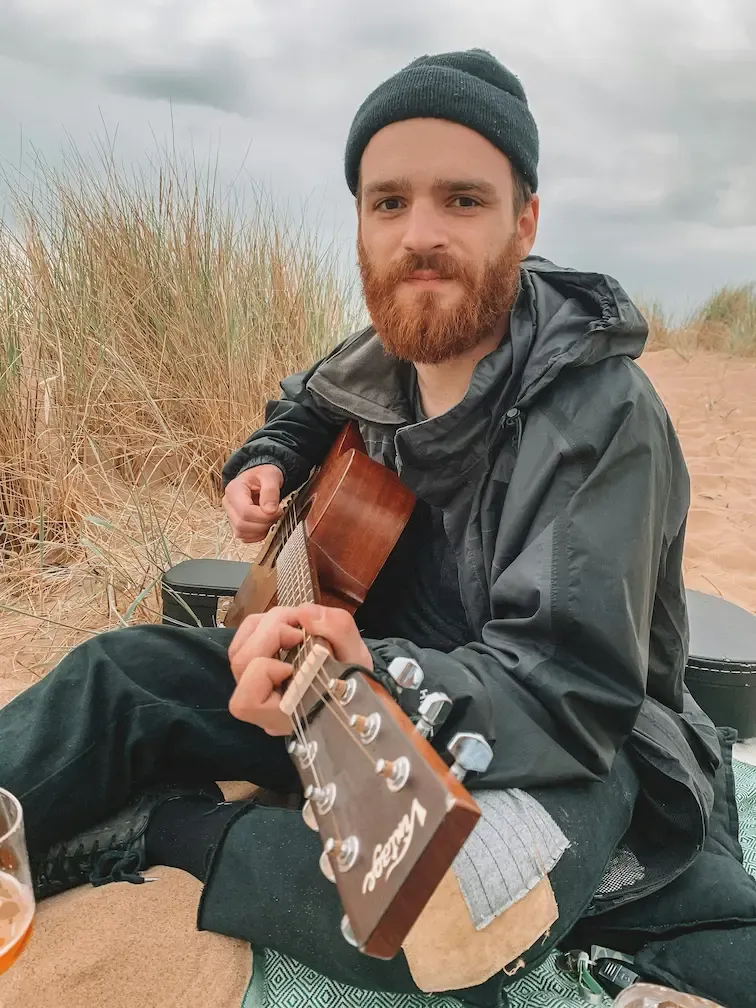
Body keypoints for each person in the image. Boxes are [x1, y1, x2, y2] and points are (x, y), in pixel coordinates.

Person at [2, 48, 756, 1008]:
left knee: (457, 912)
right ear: (360, 222)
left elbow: (568, 687)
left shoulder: (601, 414)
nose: (421, 234)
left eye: (464, 201)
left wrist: (370, 677)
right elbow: (306, 405)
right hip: (367, 666)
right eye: (389, 202)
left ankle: (170, 834)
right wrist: (265, 460)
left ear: (525, 221)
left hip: (570, 731)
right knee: (119, 675)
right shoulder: (386, 344)